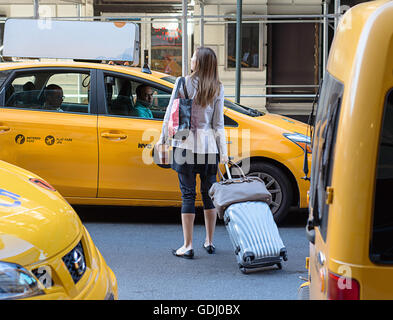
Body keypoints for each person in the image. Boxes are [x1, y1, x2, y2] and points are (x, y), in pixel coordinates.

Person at [156, 46, 228, 259]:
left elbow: (170, 116)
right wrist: (223, 152)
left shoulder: (181, 83)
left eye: (194, 58)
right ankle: (210, 241)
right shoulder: (217, 87)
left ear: (199, 63)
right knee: (208, 195)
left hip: (184, 145)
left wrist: (162, 141)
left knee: (188, 195)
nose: (191, 60)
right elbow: (219, 124)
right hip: (208, 148)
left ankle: (187, 245)